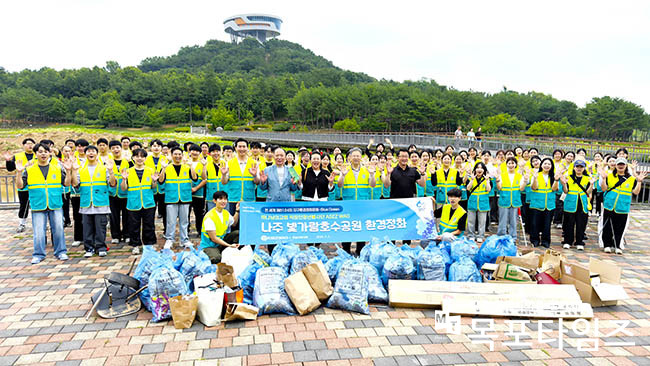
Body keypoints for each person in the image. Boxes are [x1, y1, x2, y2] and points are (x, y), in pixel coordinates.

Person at [15, 143, 74, 264]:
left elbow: (67, 184)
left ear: (50, 153)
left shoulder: (57, 168)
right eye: (40, 151)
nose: (43, 154)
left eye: (46, 151)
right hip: (38, 204)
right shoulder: (30, 169)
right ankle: (38, 254)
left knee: (58, 229)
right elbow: (20, 185)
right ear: (36, 154)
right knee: (39, 231)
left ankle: (61, 252)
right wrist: (19, 172)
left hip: (55, 203)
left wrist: (68, 171)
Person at [76, 145, 117, 257]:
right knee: (87, 227)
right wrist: (72, 171)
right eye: (88, 151)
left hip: (101, 202)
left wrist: (111, 171)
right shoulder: (81, 169)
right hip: (86, 202)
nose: (91, 153)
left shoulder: (104, 168)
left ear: (97, 154)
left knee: (100, 227)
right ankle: (89, 248)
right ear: (85, 154)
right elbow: (76, 185)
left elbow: (113, 184)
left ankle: (101, 247)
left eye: (93, 151)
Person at [599, 157, 645, 254]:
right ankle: (606, 245)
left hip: (623, 206)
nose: (620, 166)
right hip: (610, 204)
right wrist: (603, 179)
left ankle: (617, 245)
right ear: (615, 165)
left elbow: (636, 192)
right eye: (619, 164)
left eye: (622, 164)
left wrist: (639, 181)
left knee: (620, 227)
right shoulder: (610, 176)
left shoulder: (631, 179)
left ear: (626, 166)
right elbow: (604, 189)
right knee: (607, 226)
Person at [158, 146, 200, 250]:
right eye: (175, 154)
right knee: (171, 221)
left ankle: (184, 240)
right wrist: (163, 168)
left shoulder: (186, 166)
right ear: (171, 155)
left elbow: (195, 178)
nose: (177, 156)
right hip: (171, 197)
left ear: (183, 155)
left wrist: (191, 167)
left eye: (179, 154)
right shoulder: (167, 167)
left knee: (184, 221)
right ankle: (170, 239)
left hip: (185, 197)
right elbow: (161, 181)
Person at [338, 147, 376, 255]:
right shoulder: (345, 169)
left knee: (361, 229)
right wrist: (343, 175)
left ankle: (360, 252)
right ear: (349, 157)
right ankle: (346, 251)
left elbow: (372, 184)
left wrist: (372, 174)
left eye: (358, 156)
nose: (356, 158)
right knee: (347, 228)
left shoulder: (366, 169)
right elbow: (340, 185)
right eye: (353, 156)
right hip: (348, 204)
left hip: (362, 204)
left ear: (361, 157)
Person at [121, 148, 159, 254]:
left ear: (145, 158)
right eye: (137, 156)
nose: (139, 158)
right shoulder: (128, 171)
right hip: (133, 202)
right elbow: (123, 188)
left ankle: (149, 244)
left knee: (149, 224)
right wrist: (124, 179)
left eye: (142, 156)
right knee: (134, 225)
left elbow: (153, 187)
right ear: (133, 158)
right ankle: (135, 244)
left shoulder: (150, 170)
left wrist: (154, 181)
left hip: (148, 202)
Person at [3, 138, 36, 233]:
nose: (30, 145)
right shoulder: (18, 156)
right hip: (23, 186)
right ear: (23, 145)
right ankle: (22, 223)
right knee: (23, 205)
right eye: (27, 144)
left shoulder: (38, 155)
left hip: (37, 185)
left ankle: (40, 223)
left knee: (37, 205)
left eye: (31, 143)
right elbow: (10, 169)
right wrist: (9, 161)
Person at [560, 159, 592, 251]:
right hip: (570, 202)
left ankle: (579, 241)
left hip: (582, 203)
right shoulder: (569, 177)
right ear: (574, 168)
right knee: (568, 223)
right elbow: (565, 191)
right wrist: (564, 184)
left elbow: (588, 192)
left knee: (581, 223)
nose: (579, 168)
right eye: (577, 166)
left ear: (584, 168)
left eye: (581, 167)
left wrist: (592, 184)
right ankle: (567, 241)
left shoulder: (587, 178)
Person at [200, 191, 240, 264]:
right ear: (214, 201)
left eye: (225, 199)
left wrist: (237, 211)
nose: (223, 201)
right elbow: (214, 238)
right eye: (220, 199)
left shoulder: (225, 213)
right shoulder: (210, 217)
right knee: (217, 258)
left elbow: (234, 223)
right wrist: (229, 245)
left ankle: (232, 250)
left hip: (221, 241)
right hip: (210, 245)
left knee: (237, 233)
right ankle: (212, 253)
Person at [529, 158, 560, 248]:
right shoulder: (536, 175)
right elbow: (534, 187)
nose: (547, 165)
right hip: (537, 203)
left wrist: (556, 180)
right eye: (545, 163)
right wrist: (534, 178)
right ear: (541, 165)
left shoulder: (553, 176)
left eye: (549, 164)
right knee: (535, 224)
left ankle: (545, 241)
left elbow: (554, 189)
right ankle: (534, 240)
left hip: (549, 204)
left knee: (547, 225)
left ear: (551, 166)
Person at [221, 138, 257, 214]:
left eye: (244, 147)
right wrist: (223, 174)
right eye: (239, 146)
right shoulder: (229, 163)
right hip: (234, 199)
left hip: (249, 199)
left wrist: (255, 175)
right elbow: (224, 182)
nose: (242, 149)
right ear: (235, 148)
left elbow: (257, 182)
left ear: (247, 148)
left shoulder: (254, 163)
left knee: (248, 223)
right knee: (234, 223)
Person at [496, 157, 527, 241]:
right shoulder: (502, 175)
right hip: (504, 200)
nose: (511, 165)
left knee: (513, 221)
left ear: (515, 165)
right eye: (509, 163)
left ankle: (512, 238)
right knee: (503, 221)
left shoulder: (519, 176)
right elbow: (499, 188)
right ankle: (501, 237)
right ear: (506, 165)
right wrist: (498, 180)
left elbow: (521, 189)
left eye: (513, 163)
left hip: (515, 201)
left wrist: (525, 181)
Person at [107, 140, 132, 245]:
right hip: (112, 193)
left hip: (125, 193)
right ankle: (116, 235)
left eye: (117, 147)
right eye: (113, 148)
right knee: (114, 216)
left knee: (127, 216)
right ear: (110, 150)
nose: (115, 150)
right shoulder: (108, 162)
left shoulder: (128, 161)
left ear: (121, 148)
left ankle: (127, 234)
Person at [465, 162, 491, 242]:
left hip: (483, 203)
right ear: (475, 169)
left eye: (481, 168)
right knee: (471, 221)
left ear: (484, 170)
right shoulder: (471, 178)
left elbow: (488, 189)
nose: (479, 170)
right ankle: (471, 235)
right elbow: (468, 188)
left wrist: (487, 180)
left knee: (482, 222)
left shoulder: (487, 179)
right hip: (472, 202)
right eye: (477, 168)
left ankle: (480, 235)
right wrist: (472, 180)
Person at [188, 144, 207, 236]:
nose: (194, 152)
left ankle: (200, 231)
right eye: (193, 150)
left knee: (199, 214)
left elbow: (204, 179)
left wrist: (196, 188)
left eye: (197, 151)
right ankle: (186, 231)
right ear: (189, 151)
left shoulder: (202, 164)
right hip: (186, 193)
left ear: (200, 153)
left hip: (199, 193)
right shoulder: (185, 163)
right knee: (185, 214)